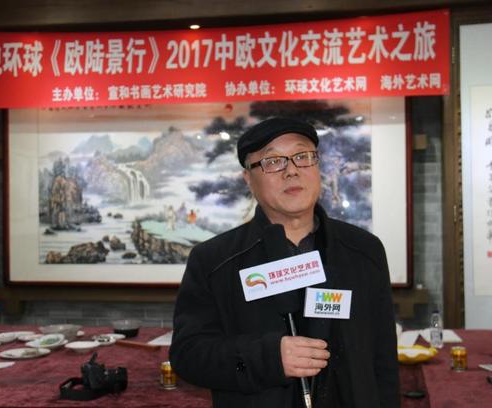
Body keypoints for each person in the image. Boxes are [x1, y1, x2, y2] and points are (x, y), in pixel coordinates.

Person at [170, 117, 399, 407]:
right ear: (248, 179)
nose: (292, 170)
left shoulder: (364, 250)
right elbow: (188, 356)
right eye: (273, 161)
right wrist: (267, 358)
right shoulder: (215, 260)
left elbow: (383, 361)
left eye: (303, 156)